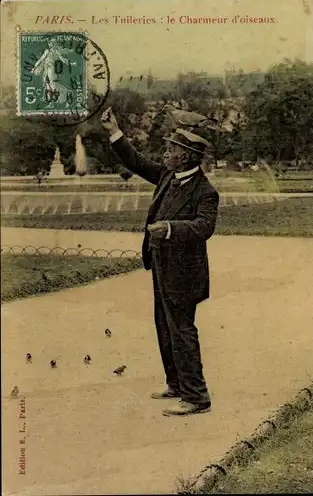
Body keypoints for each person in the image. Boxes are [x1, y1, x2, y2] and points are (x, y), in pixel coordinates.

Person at [101, 107, 220, 416]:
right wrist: (115, 130)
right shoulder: (168, 176)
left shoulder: (206, 191)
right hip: (162, 267)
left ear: (187, 156)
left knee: (181, 330)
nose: (166, 153)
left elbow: (203, 227)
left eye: (172, 149)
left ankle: (197, 397)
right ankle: (177, 384)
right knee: (165, 328)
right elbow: (136, 161)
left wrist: (169, 229)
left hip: (185, 274)